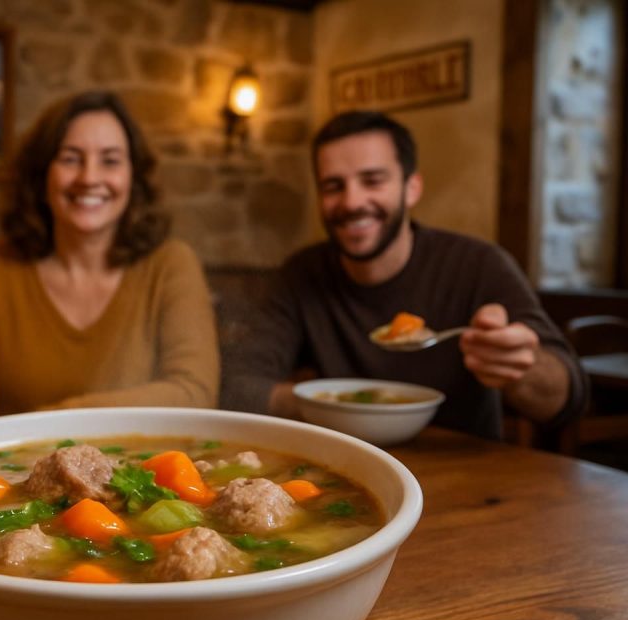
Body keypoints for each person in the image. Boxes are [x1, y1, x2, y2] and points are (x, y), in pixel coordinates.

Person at [220, 109, 587, 440]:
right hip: (348, 471)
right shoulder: (301, 274)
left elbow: (567, 399)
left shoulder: (479, 265)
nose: (351, 202)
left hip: (471, 478)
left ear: (412, 188)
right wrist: (333, 405)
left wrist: (521, 368)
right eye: (333, 186)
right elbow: (235, 386)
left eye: (373, 180)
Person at [0, 90, 219, 418]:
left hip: (144, 466)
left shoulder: (171, 263)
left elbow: (195, 392)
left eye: (110, 161)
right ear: (41, 176)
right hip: (13, 469)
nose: (89, 178)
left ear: (133, 177)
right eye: (70, 158)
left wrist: (58, 417)